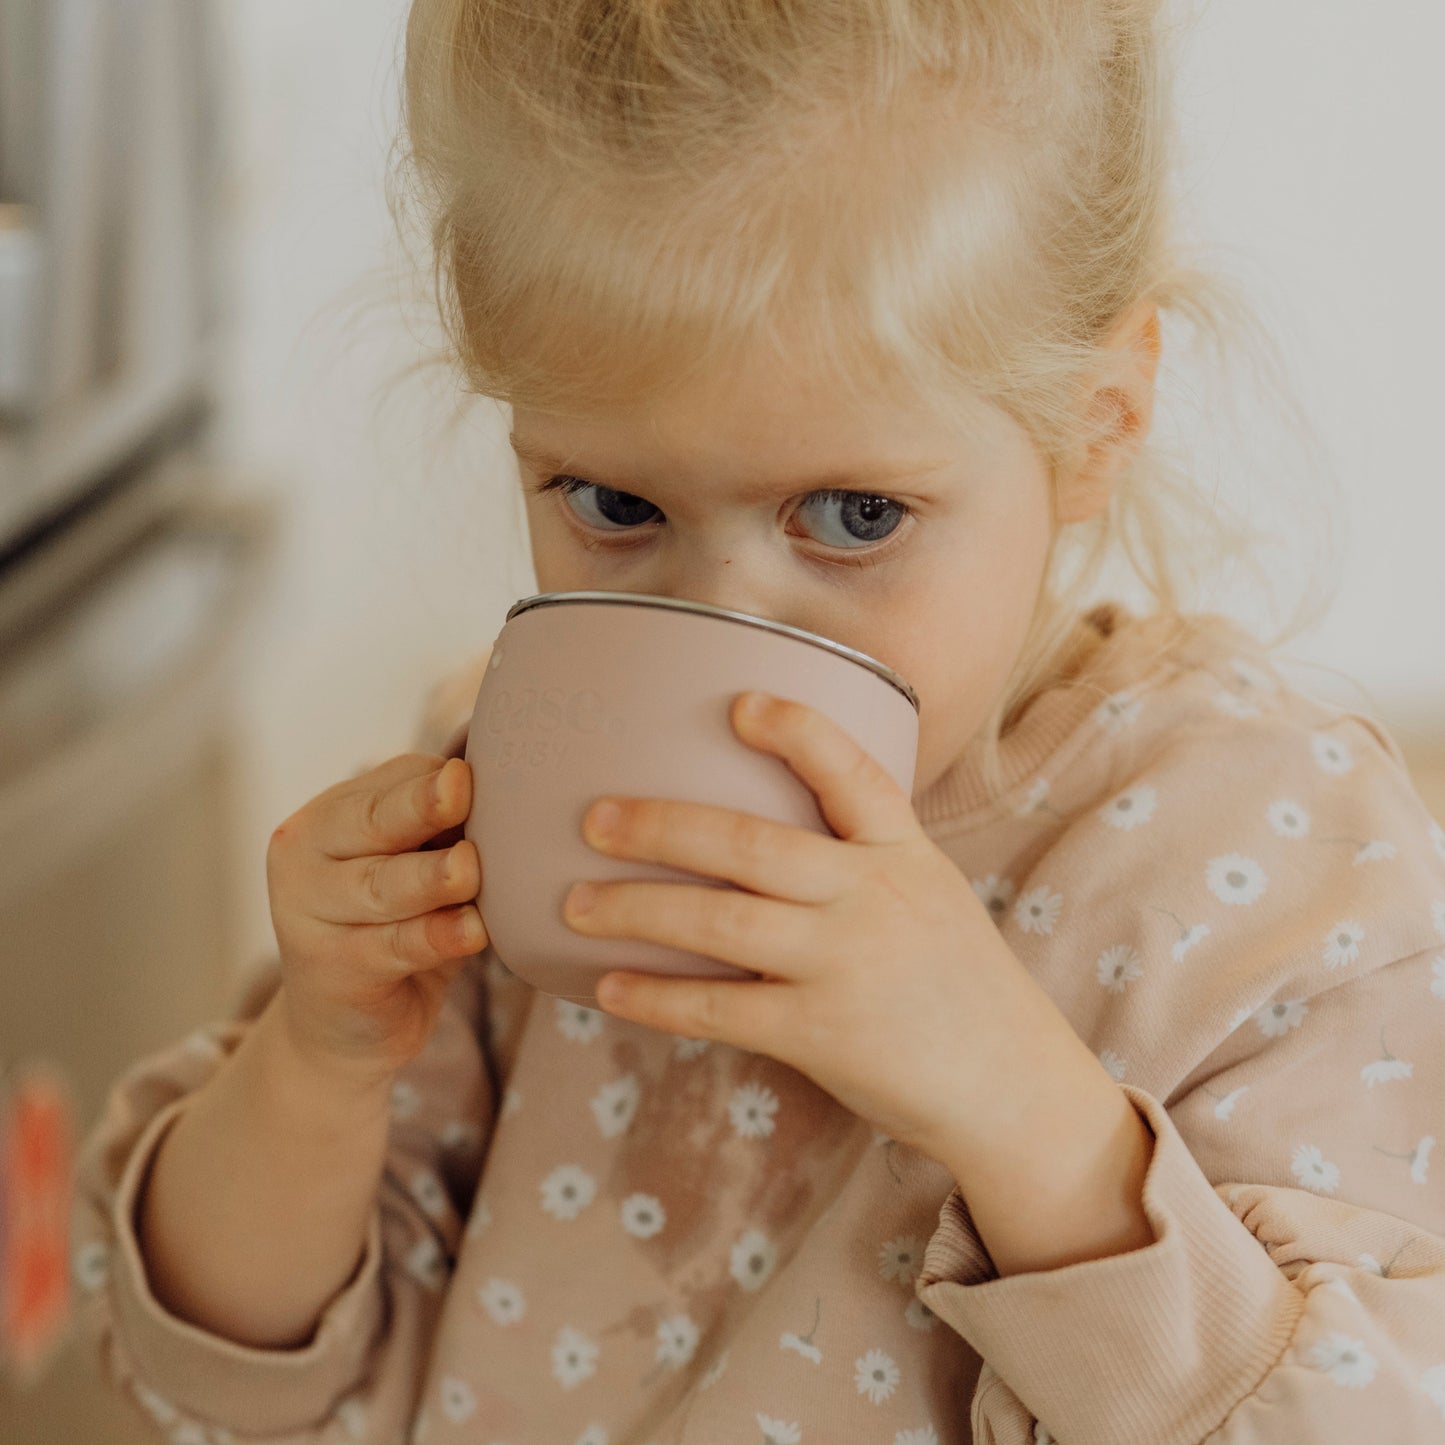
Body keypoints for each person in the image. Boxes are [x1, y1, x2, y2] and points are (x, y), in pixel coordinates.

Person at [72, 1, 1445, 1440]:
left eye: (853, 516)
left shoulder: (1270, 875)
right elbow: (207, 1370)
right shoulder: (504, 798)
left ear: (1096, 420)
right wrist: (321, 1054)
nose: (734, 635)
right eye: (614, 504)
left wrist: (1016, 1104)